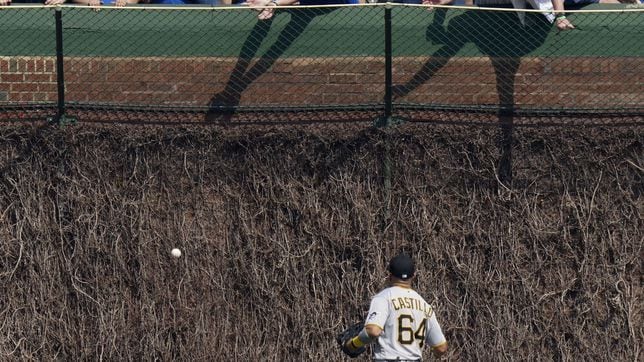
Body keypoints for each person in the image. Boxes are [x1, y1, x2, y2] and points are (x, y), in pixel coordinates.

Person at [344, 253, 448, 361]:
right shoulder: (425, 305)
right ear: (414, 276)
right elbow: (441, 347)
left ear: (389, 275)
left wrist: (353, 344)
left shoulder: (383, 298)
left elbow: (373, 330)